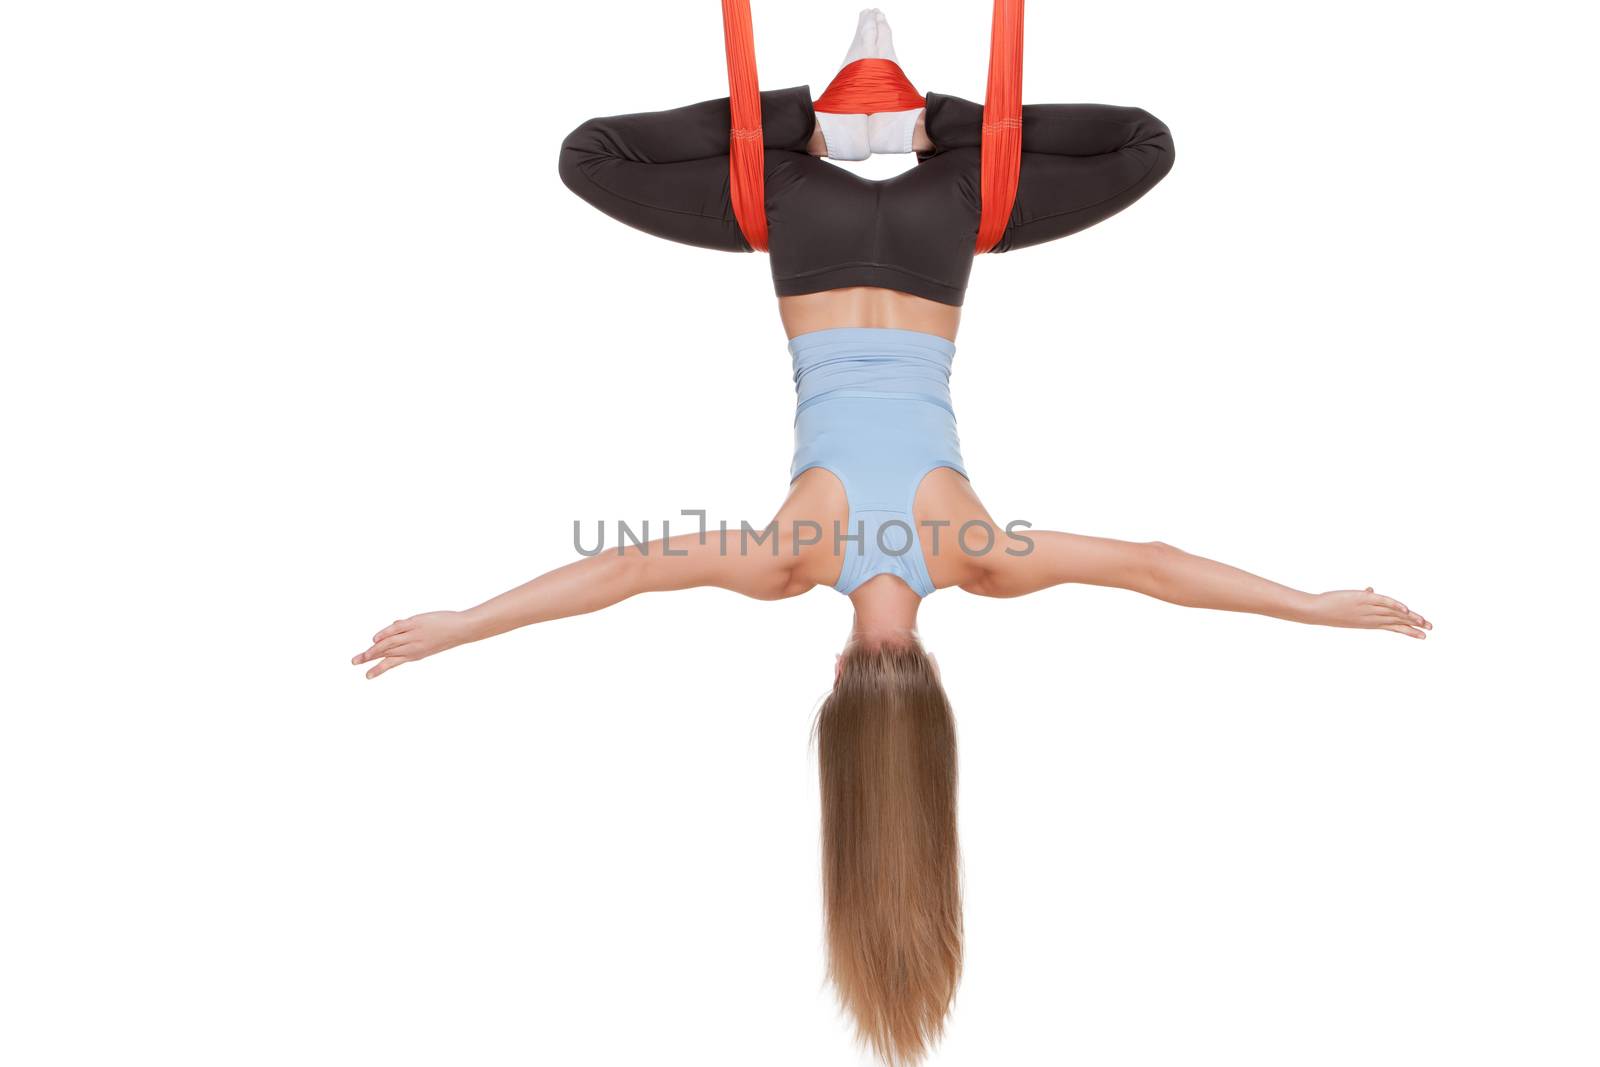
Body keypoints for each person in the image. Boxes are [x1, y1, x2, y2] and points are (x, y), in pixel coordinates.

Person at [352, 10, 1429, 1064]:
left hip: (938, 226)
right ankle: (822, 129)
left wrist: (1312, 605)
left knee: (1145, 146)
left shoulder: (978, 555)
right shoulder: (789, 560)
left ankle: (916, 127)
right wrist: (462, 623)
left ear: (938, 694)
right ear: (832, 687)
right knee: (591, 157)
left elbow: (1149, 565)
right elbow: (627, 566)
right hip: (807, 227)